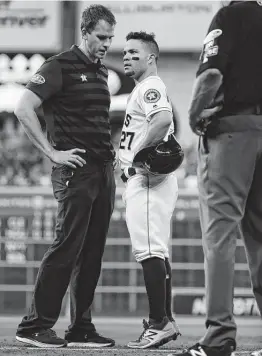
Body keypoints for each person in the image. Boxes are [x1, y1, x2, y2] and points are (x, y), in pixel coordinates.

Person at [14, 4, 116, 348]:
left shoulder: (101, 71)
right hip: (74, 172)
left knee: (92, 252)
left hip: (102, 172)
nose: (106, 44)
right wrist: (51, 152)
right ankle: (33, 326)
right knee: (66, 247)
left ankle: (81, 328)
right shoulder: (58, 66)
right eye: (101, 37)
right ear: (84, 32)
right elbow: (22, 106)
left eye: (110, 38)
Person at [176, 2, 262, 356]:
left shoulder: (230, 15)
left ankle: (219, 336)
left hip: (232, 133)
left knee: (220, 235)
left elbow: (211, 75)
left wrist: (195, 115)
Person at [118, 31, 181, 349]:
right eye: (125, 52)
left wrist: (134, 162)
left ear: (151, 57)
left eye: (133, 52)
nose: (126, 56)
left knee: (149, 251)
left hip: (146, 180)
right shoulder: (144, 87)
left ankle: (159, 324)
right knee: (157, 249)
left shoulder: (151, 86)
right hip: (152, 181)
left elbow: (162, 120)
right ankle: (164, 320)